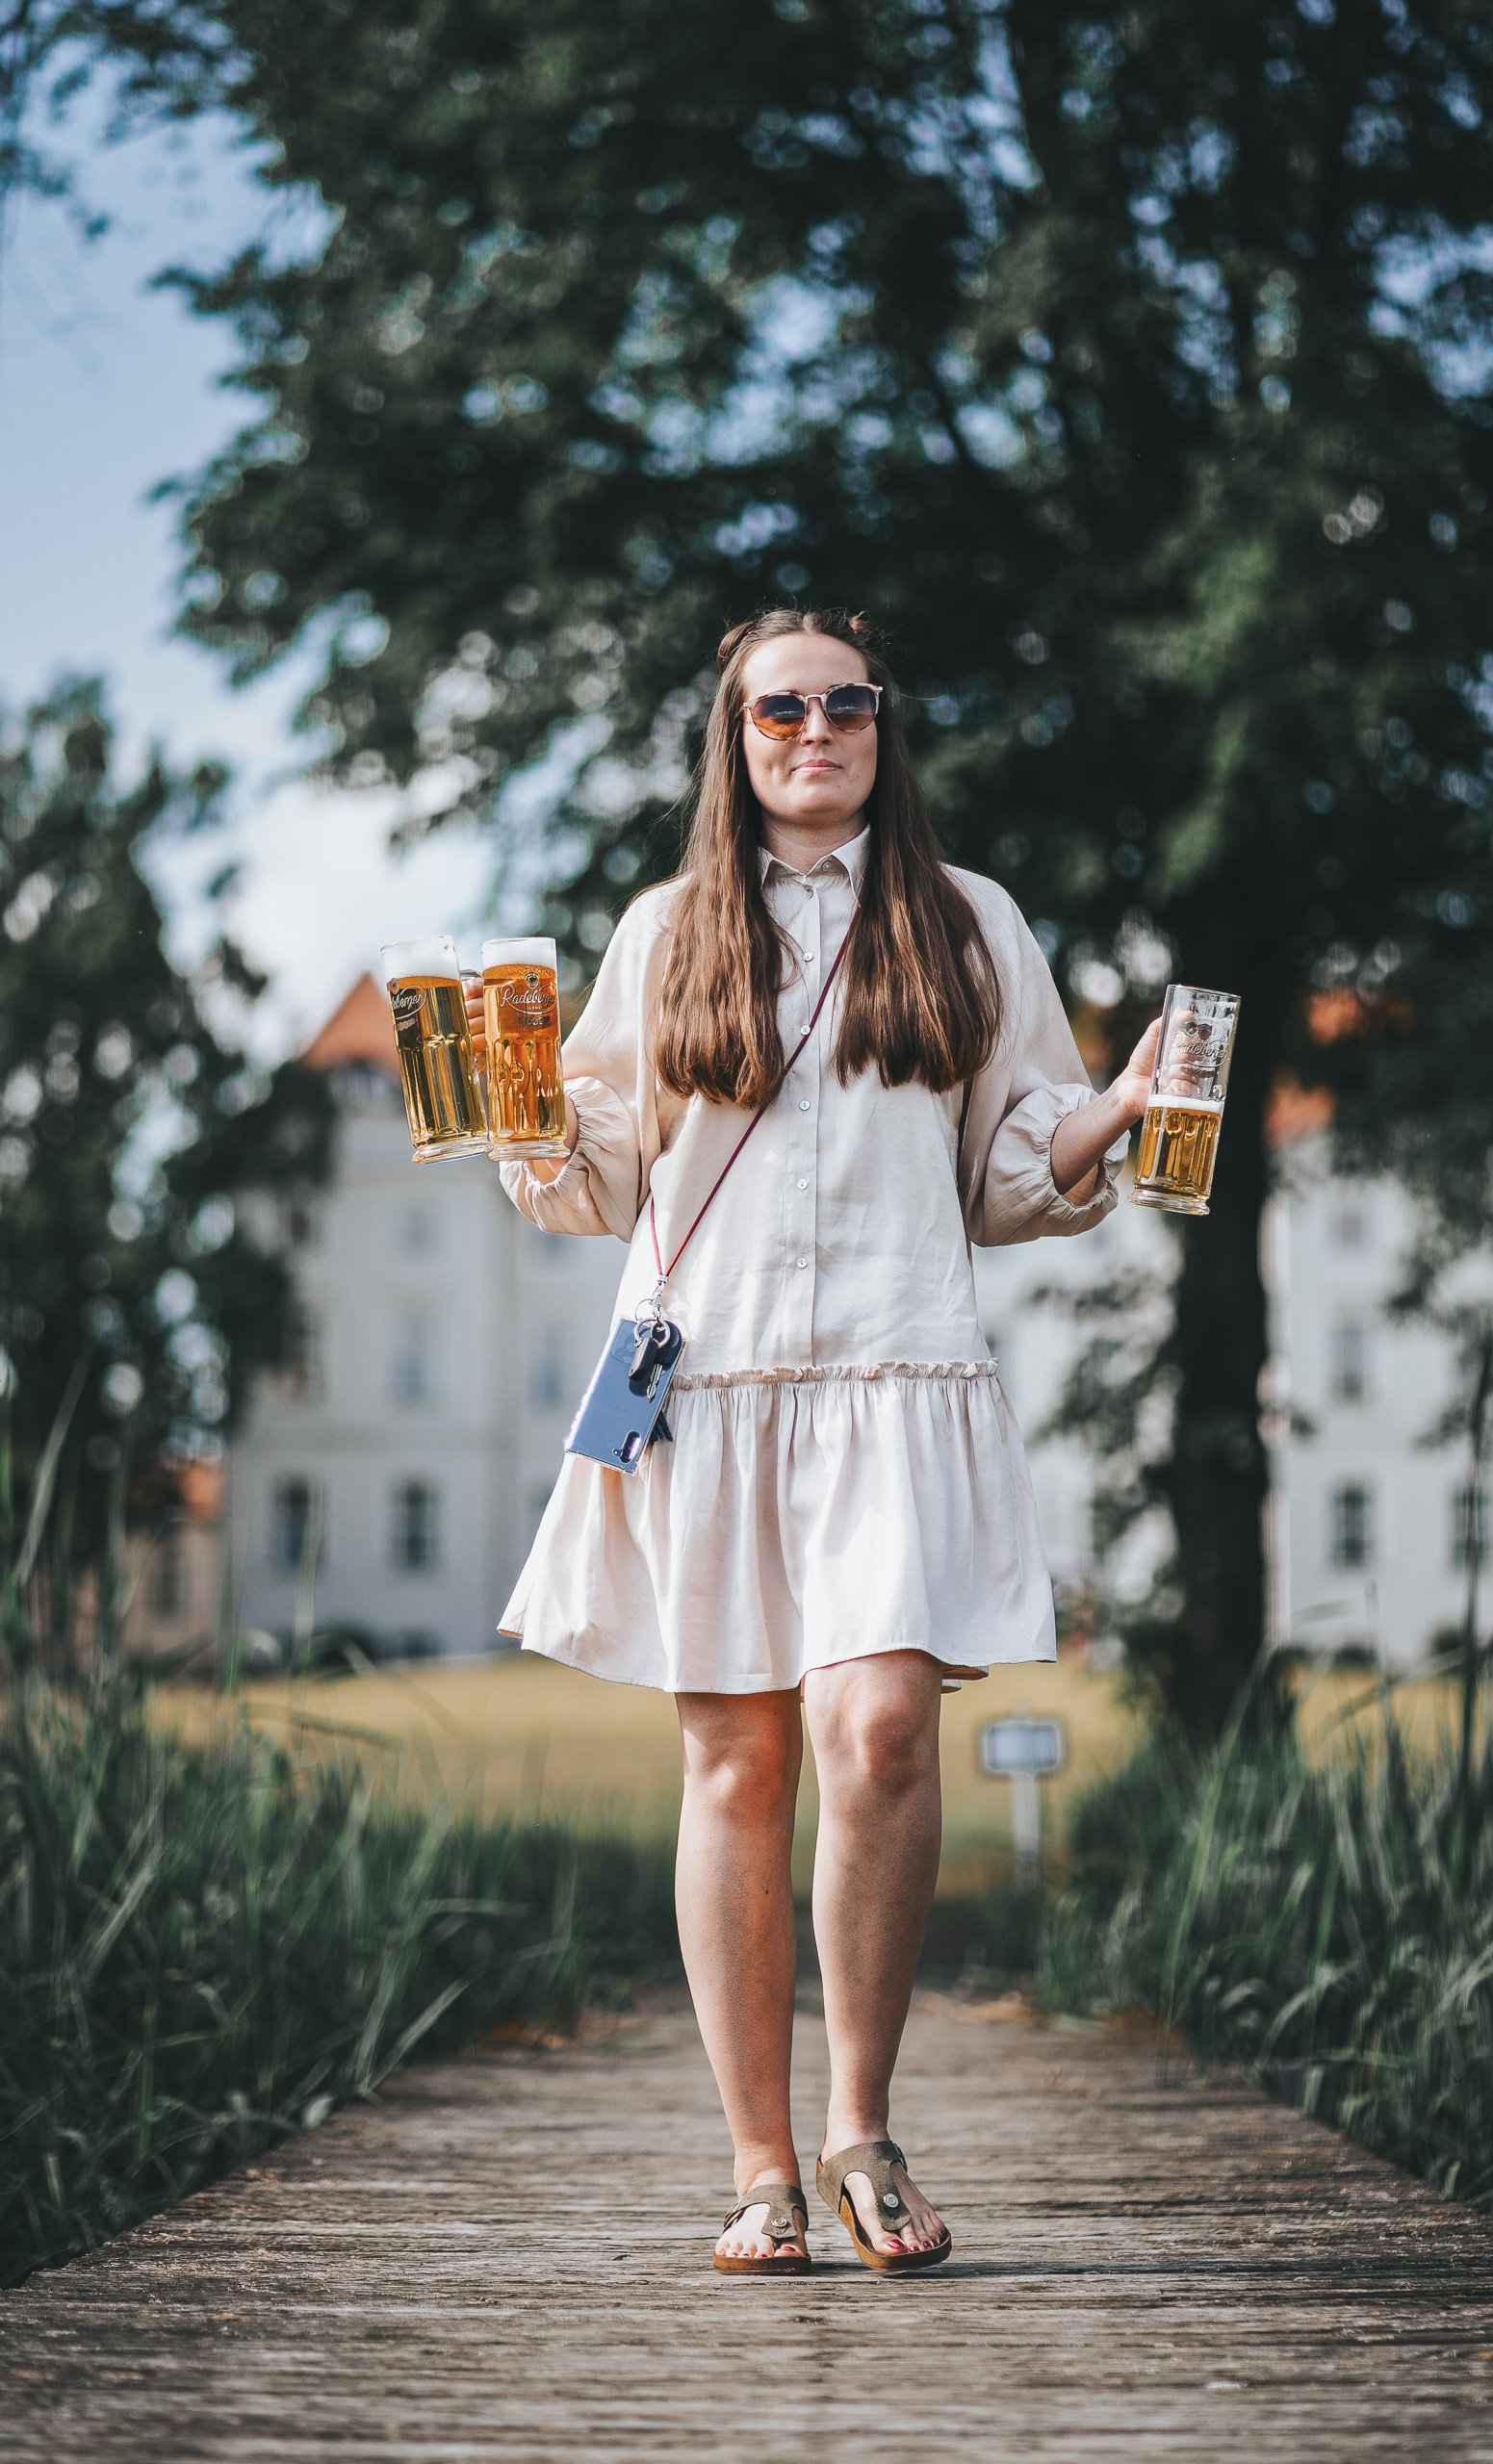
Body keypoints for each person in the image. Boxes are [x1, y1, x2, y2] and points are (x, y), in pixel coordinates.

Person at [485, 607, 1159, 2275]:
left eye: (844, 701)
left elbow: (1011, 1172)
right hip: (702, 1391)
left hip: (893, 1381)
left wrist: (1117, 1114)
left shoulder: (971, 920)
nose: (814, 727)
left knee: (878, 1739)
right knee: (737, 1764)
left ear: (882, 724)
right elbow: (594, 1175)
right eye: (778, 706)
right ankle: (757, 2167)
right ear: (733, 734)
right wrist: (506, 1108)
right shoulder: (665, 930)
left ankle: (862, 2125)